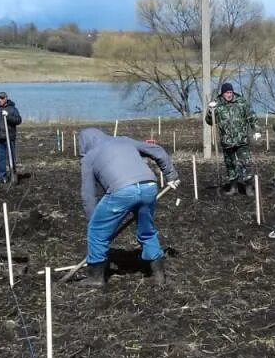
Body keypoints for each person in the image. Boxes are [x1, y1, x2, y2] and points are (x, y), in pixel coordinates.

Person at [77, 128, 179, 287]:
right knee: (147, 230)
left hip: (122, 190)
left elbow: (88, 194)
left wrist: (94, 221)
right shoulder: (123, 140)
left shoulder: (89, 158)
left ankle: (96, 278)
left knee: (96, 232)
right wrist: (171, 175)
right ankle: (159, 275)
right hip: (149, 185)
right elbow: (157, 150)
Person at [204, 83, 259, 195]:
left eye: (230, 92)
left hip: (241, 140)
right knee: (230, 165)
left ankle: (249, 188)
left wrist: (256, 130)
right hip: (227, 141)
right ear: (222, 93)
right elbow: (210, 121)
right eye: (226, 93)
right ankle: (233, 187)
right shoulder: (217, 104)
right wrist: (210, 111)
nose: (229, 95)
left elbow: (252, 117)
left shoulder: (241, 102)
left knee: (246, 163)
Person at [0, 91, 22, 184]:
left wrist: (8, 116)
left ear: (6, 98)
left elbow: (18, 120)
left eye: (2, 98)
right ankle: (1, 176)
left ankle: (13, 174)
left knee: (11, 157)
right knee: (0, 158)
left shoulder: (12, 109)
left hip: (9, 138)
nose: (0, 100)